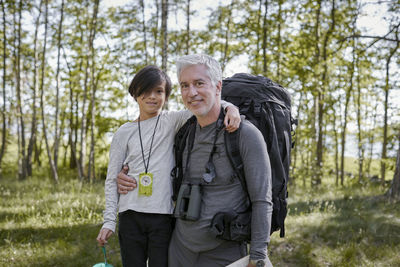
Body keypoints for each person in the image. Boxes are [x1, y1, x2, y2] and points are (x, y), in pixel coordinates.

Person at [117, 55, 273, 267]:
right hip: (178, 251)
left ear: (218, 87)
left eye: (199, 83)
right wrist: (124, 176)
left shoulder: (245, 135)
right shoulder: (183, 132)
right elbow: (152, 161)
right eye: (184, 85)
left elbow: (262, 200)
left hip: (224, 254)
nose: (191, 92)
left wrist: (258, 256)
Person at [96, 65, 240, 267]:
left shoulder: (172, 120)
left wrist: (231, 108)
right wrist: (109, 221)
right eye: (146, 91)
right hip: (130, 215)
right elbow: (112, 179)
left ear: (167, 95)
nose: (152, 97)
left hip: (162, 216)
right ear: (135, 93)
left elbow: (206, 105)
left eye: (159, 91)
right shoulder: (124, 132)